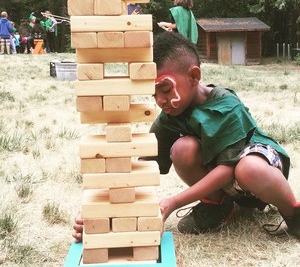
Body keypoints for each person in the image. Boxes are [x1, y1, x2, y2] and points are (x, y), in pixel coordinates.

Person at [72, 32, 300, 242]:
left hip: (261, 171)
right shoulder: (171, 115)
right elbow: (143, 167)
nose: (160, 100)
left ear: (194, 76)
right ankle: (217, 205)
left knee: (248, 168)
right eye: (154, 94)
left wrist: (174, 202)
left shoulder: (225, 105)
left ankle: (293, 212)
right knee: (183, 148)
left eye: (166, 89)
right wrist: (103, 214)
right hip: (230, 185)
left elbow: (228, 170)